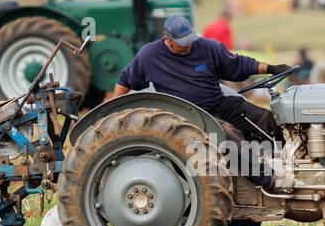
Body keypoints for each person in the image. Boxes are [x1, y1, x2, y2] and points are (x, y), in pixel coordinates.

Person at [112, 15, 291, 145]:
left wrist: (270, 68)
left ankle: (290, 159)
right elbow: (124, 80)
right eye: (183, 43)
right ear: (167, 39)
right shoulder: (149, 55)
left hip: (218, 103)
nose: (189, 45)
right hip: (186, 115)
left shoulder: (207, 47)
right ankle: (270, 180)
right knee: (229, 136)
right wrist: (114, 112)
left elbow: (238, 64)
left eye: (190, 40)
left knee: (264, 119)